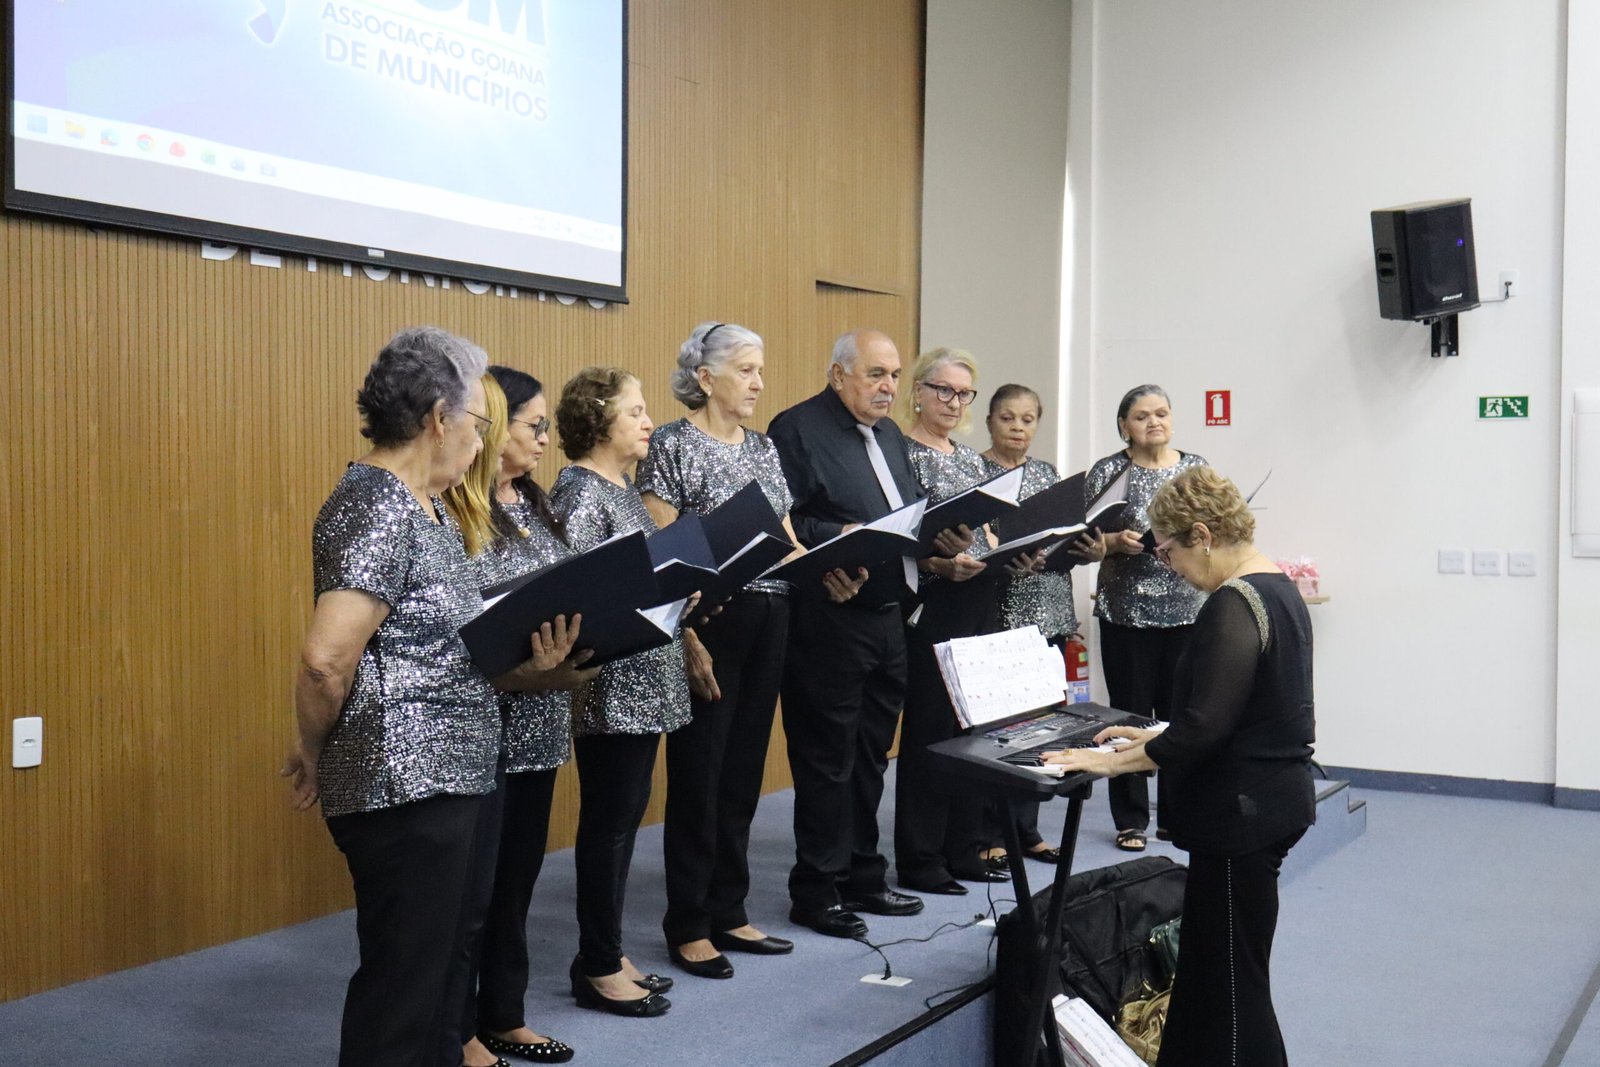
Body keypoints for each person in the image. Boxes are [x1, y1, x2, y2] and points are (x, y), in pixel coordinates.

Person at [284, 327, 581, 1067]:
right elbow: (326, 658)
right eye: (480, 426)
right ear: (438, 420)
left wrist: (538, 667)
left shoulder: (429, 506)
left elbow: (447, 648)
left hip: (453, 772)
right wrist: (314, 750)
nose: (481, 445)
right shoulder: (376, 502)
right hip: (402, 780)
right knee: (403, 986)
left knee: (440, 980)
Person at [1044, 465, 1315, 1067]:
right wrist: (1151, 733)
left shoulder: (1232, 603)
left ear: (1201, 533)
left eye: (1167, 551)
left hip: (1241, 815)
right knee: (1210, 972)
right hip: (1268, 800)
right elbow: (1248, 708)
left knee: (1232, 989)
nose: (1166, 565)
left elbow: (1205, 729)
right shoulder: (1278, 586)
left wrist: (1108, 762)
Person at [638, 322, 865, 978]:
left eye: (761, 370)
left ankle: (728, 908)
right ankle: (688, 922)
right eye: (745, 369)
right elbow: (660, 554)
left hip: (772, 613)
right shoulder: (673, 445)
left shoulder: (764, 448)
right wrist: (687, 638)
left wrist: (831, 565)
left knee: (742, 772)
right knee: (700, 773)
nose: (759, 382)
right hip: (708, 618)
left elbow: (788, 539)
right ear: (704, 377)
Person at [766, 328, 973, 938]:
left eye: (893, 375)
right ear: (838, 375)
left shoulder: (888, 434)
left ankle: (863, 874)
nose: (888, 388)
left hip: (890, 616)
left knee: (870, 758)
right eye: (876, 375)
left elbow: (906, 514)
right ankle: (817, 888)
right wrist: (843, 534)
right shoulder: (796, 428)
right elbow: (790, 520)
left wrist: (940, 537)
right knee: (827, 759)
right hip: (831, 615)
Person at [444, 366, 588, 1065]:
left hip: (539, 719)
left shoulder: (536, 502)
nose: (544, 438)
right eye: (535, 425)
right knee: (472, 890)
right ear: (494, 428)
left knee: (518, 877)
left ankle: (505, 1011)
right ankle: (461, 1028)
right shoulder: (456, 509)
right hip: (481, 727)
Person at [549, 366, 687, 1018]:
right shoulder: (580, 491)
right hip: (613, 685)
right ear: (600, 421)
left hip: (646, 678)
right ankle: (597, 963)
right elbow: (576, 596)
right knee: (607, 823)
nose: (648, 421)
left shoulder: (623, 489)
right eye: (635, 410)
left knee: (626, 819)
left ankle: (608, 948)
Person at [892, 347, 1009, 895]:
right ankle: (921, 857)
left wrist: (1014, 550)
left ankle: (963, 847)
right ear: (917, 390)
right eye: (943, 390)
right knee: (931, 733)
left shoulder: (970, 458)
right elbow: (895, 535)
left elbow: (987, 532)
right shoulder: (900, 452)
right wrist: (939, 560)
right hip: (931, 604)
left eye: (964, 394)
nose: (953, 402)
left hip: (979, 600)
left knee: (974, 730)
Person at [1082, 384, 1208, 851]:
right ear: (1124, 427)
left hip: (1187, 612)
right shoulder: (1109, 472)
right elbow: (1082, 541)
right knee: (1127, 714)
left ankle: (1176, 816)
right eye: (1141, 416)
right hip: (1125, 613)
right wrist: (1113, 544)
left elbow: (1214, 531)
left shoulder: (1195, 469)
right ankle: (1130, 819)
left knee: (1180, 719)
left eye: (1161, 413)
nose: (1153, 422)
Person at [980, 383, 1096, 865]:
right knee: (997, 731)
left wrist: (1090, 546)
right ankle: (991, 832)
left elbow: (1062, 538)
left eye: (1028, 420)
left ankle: (1027, 829)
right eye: (1008, 418)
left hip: (1049, 611)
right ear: (990, 421)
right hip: (1000, 614)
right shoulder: (977, 471)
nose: (1018, 428)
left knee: (1043, 726)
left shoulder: (1048, 474)